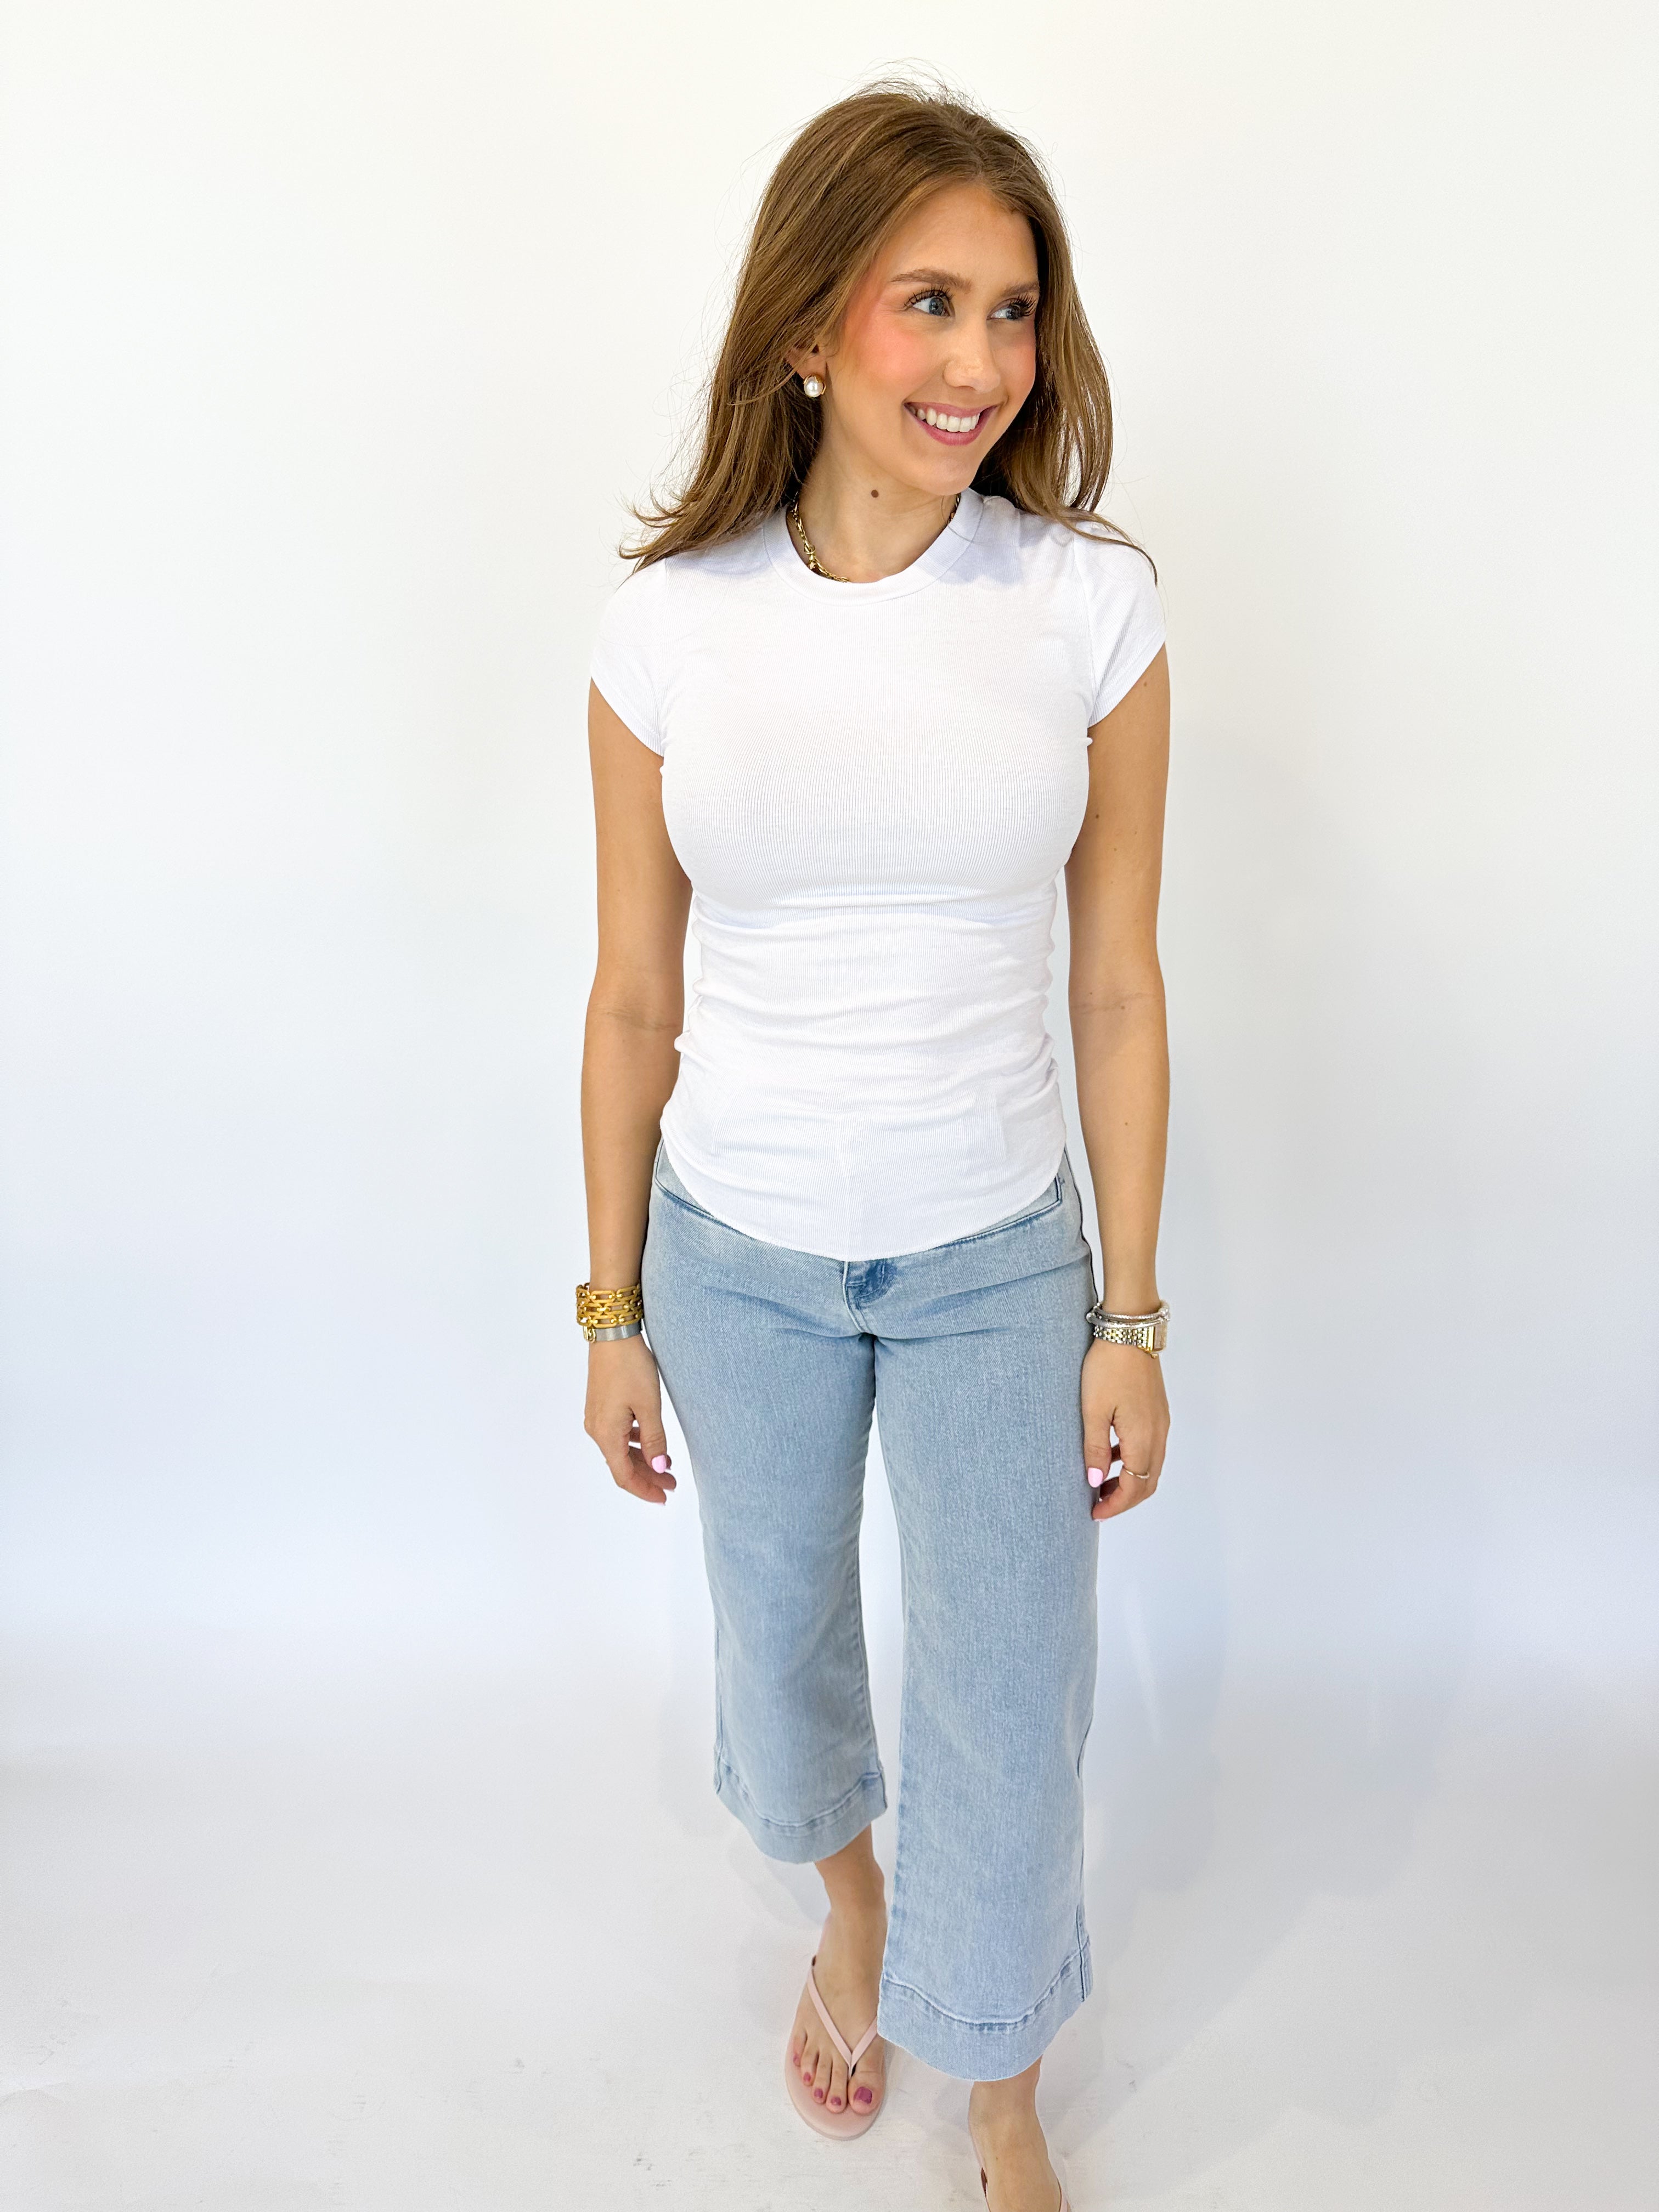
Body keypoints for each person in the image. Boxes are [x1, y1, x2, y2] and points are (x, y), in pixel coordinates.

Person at [577, 79, 1172, 2212]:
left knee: (1013, 1693)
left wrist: (1129, 1315)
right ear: (810, 322)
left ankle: (998, 2084)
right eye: (933, 301)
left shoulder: (1085, 606)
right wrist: (612, 1309)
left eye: (1014, 310)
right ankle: (850, 1908)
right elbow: (630, 996)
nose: (983, 362)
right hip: (732, 1251)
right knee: (779, 1645)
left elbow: (1120, 986)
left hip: (997, 1254)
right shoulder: (671, 626)